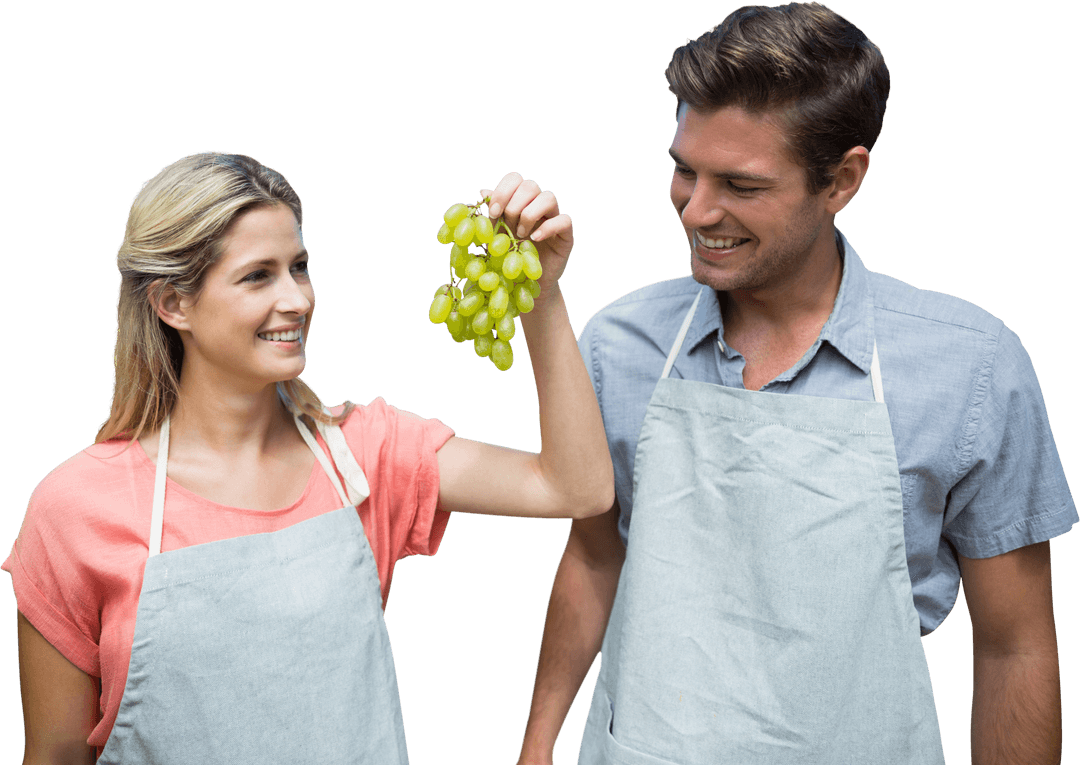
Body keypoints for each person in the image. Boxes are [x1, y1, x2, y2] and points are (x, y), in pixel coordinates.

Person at [514, 4, 1076, 765]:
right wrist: (540, 740)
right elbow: (593, 554)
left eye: (741, 184)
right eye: (684, 169)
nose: (697, 210)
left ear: (842, 179)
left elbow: (1014, 648)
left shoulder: (971, 369)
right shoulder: (622, 342)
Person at [5, 151, 613, 764]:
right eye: (257, 276)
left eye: (299, 268)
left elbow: (575, 489)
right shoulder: (75, 509)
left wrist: (542, 297)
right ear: (173, 304)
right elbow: (54, 754)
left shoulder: (364, 456)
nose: (296, 300)